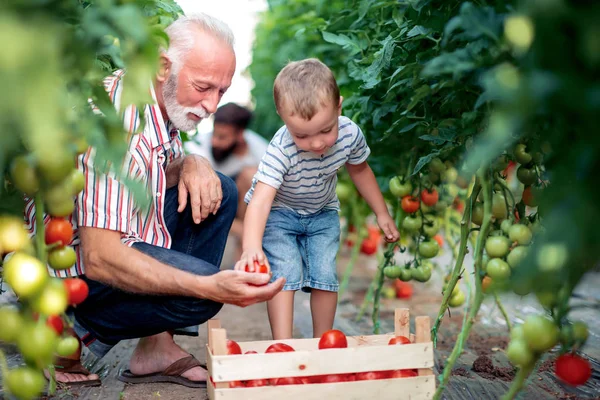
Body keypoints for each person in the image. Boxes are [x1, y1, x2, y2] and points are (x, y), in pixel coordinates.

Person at [23, 13, 284, 389]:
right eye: (203, 87)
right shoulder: (117, 125)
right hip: (72, 278)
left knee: (220, 190)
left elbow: (149, 174)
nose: (211, 105)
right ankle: (69, 333)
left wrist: (192, 162)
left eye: (221, 92)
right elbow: (100, 256)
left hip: (109, 248)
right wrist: (207, 287)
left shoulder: (160, 104)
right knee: (201, 297)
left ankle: (157, 347)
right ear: (164, 66)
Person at [234, 58, 400, 340]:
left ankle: (324, 342)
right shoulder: (281, 148)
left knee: (325, 276)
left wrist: (382, 213)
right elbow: (261, 200)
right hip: (281, 214)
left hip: (323, 214)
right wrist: (251, 247)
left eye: (326, 130)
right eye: (302, 135)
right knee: (284, 273)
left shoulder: (349, 134)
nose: (317, 143)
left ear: (339, 107)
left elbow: (360, 170)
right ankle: (283, 344)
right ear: (283, 119)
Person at [185, 103, 268, 250]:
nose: (214, 142)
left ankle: (245, 241)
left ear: (240, 135)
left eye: (222, 137)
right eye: (214, 134)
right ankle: (246, 233)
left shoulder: (260, 151)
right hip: (206, 204)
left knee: (252, 176)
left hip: (240, 207)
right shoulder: (200, 145)